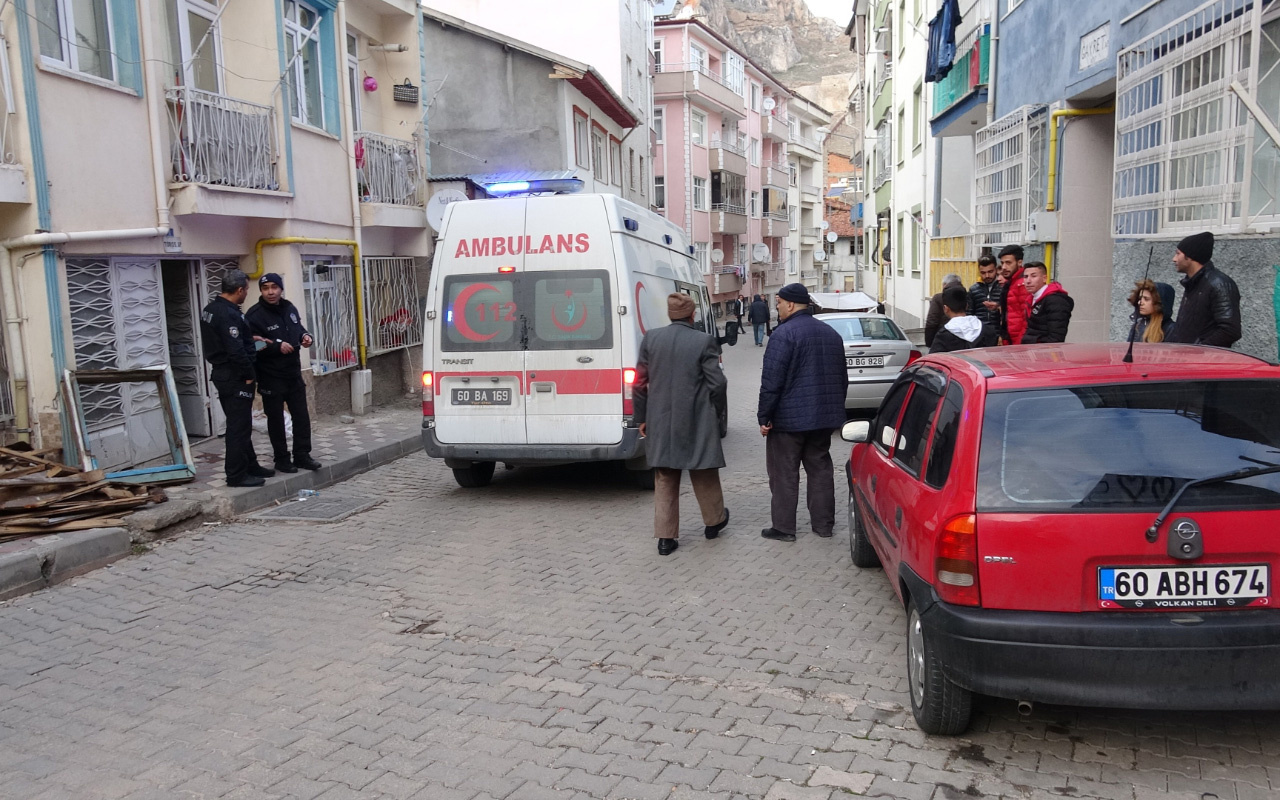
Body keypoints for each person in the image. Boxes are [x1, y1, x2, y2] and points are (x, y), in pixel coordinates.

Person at [633, 293, 730, 556]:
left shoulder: (651, 338)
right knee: (703, 470)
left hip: (661, 420)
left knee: (664, 475)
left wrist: (641, 418)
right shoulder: (703, 341)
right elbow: (718, 383)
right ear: (692, 315)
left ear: (669, 314)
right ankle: (714, 522)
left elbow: (639, 382)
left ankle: (666, 539)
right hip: (697, 418)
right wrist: (716, 411)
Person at [757, 283, 848, 542]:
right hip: (822, 420)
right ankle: (823, 526)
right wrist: (835, 411)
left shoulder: (783, 335)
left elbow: (771, 382)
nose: (776, 308)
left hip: (788, 421)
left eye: (778, 303)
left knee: (784, 472)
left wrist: (765, 417)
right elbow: (842, 378)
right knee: (820, 470)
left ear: (790, 304)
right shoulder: (831, 334)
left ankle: (784, 528)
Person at [200, 270, 274, 488]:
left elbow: (227, 340)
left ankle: (250, 465)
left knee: (242, 424)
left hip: (223, 373)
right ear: (240, 290)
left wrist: (252, 339)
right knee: (238, 427)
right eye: (247, 290)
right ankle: (236, 475)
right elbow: (235, 351)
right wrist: (249, 376)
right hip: (235, 376)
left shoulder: (211, 309)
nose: (246, 294)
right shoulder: (228, 314)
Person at [245, 272, 322, 474]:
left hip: (293, 374)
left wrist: (306, 337)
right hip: (270, 375)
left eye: (274, 287)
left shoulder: (289, 308)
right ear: (261, 291)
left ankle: (302, 455)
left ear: (280, 288)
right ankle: (281, 459)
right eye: (266, 288)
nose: (270, 292)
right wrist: (275, 347)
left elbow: (298, 329)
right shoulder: (254, 315)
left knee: (301, 417)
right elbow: (252, 344)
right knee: (276, 420)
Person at [1164, 231, 1242, 348]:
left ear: (1190, 256)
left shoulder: (1219, 284)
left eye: (1178, 254)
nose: (1174, 259)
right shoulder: (1193, 283)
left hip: (1203, 361)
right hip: (1187, 358)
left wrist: (1199, 350)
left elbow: (1230, 330)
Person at [929, 285, 999, 353]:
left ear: (946, 308)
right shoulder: (988, 329)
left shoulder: (943, 336)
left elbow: (933, 361)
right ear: (967, 306)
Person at [1020, 262, 1074, 344]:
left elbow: (1056, 337)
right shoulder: (1032, 299)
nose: (1028, 281)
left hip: (1045, 352)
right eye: (1025, 277)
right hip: (1032, 350)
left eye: (1033, 276)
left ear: (1044, 278)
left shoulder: (1056, 300)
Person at [997, 245, 1031, 345]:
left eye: (1008, 263)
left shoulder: (1022, 284)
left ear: (1019, 262)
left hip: (1018, 345)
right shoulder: (1012, 283)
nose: (1004, 267)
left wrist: (1019, 344)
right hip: (1011, 341)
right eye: (1002, 263)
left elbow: (1026, 318)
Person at [1127, 279, 1175, 343]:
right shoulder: (1138, 326)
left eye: (1146, 299)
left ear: (1159, 302)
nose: (1140, 302)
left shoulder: (1171, 329)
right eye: (1139, 298)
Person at [923, 273, 964, 348]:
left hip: (942, 340)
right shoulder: (966, 296)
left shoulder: (938, 298)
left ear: (945, 285)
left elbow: (931, 322)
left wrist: (929, 343)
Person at [968, 255, 1003, 327]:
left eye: (990, 271)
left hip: (999, 332)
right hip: (979, 333)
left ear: (996, 269)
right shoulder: (973, 290)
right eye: (983, 273)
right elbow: (969, 314)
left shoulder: (1003, 287)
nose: (987, 275)